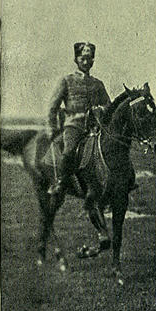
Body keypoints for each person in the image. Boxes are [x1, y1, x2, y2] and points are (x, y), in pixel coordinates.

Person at [46, 42, 111, 196]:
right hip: (74, 126)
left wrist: (101, 109)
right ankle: (61, 183)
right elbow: (52, 108)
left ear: (93, 60)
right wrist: (52, 129)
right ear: (76, 59)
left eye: (89, 58)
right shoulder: (66, 81)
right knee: (68, 151)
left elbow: (109, 105)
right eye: (83, 58)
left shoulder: (98, 84)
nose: (86, 62)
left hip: (95, 128)